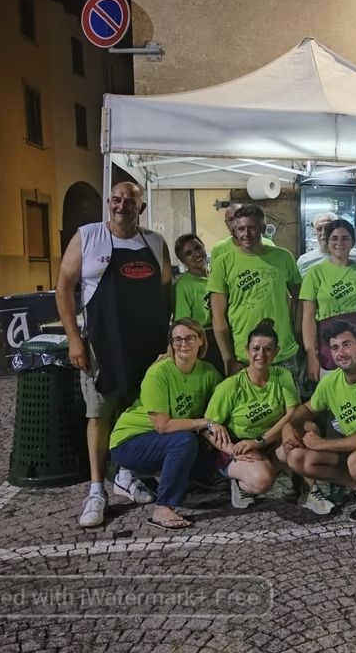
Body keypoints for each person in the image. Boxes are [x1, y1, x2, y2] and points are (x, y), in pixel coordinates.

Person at [56, 181, 173, 528]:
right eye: (116, 200)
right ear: (109, 202)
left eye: (130, 202)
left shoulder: (154, 242)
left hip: (146, 346)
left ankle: (126, 475)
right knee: (99, 414)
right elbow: (64, 287)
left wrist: (167, 339)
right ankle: (96, 490)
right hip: (102, 344)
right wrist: (74, 340)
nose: (122, 206)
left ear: (141, 208)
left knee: (134, 412)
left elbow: (166, 290)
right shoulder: (88, 236)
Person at [108, 318, 227, 530]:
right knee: (185, 441)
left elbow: (218, 411)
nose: (183, 344)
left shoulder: (208, 372)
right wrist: (203, 422)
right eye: (177, 339)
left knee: (208, 435)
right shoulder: (159, 373)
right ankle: (163, 507)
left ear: (201, 340)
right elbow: (162, 426)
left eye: (190, 338)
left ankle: (195, 479)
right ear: (171, 343)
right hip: (129, 441)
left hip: (165, 439)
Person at [281, 321, 356, 519]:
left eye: (346, 345)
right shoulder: (330, 382)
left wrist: (322, 444)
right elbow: (306, 409)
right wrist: (289, 426)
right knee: (298, 458)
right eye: (335, 348)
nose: (341, 353)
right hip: (352, 448)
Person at [204, 318, 299, 509]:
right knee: (262, 480)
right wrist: (232, 450)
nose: (261, 354)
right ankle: (240, 482)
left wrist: (260, 441)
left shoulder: (282, 376)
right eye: (256, 349)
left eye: (268, 349)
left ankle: (306, 489)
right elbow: (207, 428)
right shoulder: (230, 386)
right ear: (247, 350)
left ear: (276, 352)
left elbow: (293, 413)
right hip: (240, 446)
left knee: (306, 430)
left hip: (267, 441)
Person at [208, 204, 303, 381]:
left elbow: (301, 299)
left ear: (263, 229)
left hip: (283, 352)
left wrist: (298, 335)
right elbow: (218, 317)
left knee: (289, 398)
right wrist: (228, 358)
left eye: (251, 228)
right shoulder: (222, 263)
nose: (246, 233)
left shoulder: (283, 257)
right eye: (241, 229)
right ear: (234, 230)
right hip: (244, 355)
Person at [300, 219, 356, 384]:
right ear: (327, 242)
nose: (339, 243)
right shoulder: (315, 273)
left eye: (345, 238)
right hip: (329, 347)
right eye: (334, 238)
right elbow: (308, 318)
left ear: (353, 242)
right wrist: (311, 355)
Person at [172, 233, 224, 374]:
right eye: (189, 253)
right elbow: (183, 323)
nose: (196, 254)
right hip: (205, 341)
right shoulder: (183, 286)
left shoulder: (215, 276)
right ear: (183, 260)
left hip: (224, 335)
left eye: (198, 247)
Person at [297, 211, 356, 278]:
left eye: (327, 228)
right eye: (319, 229)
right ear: (314, 232)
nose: (323, 233)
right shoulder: (304, 261)